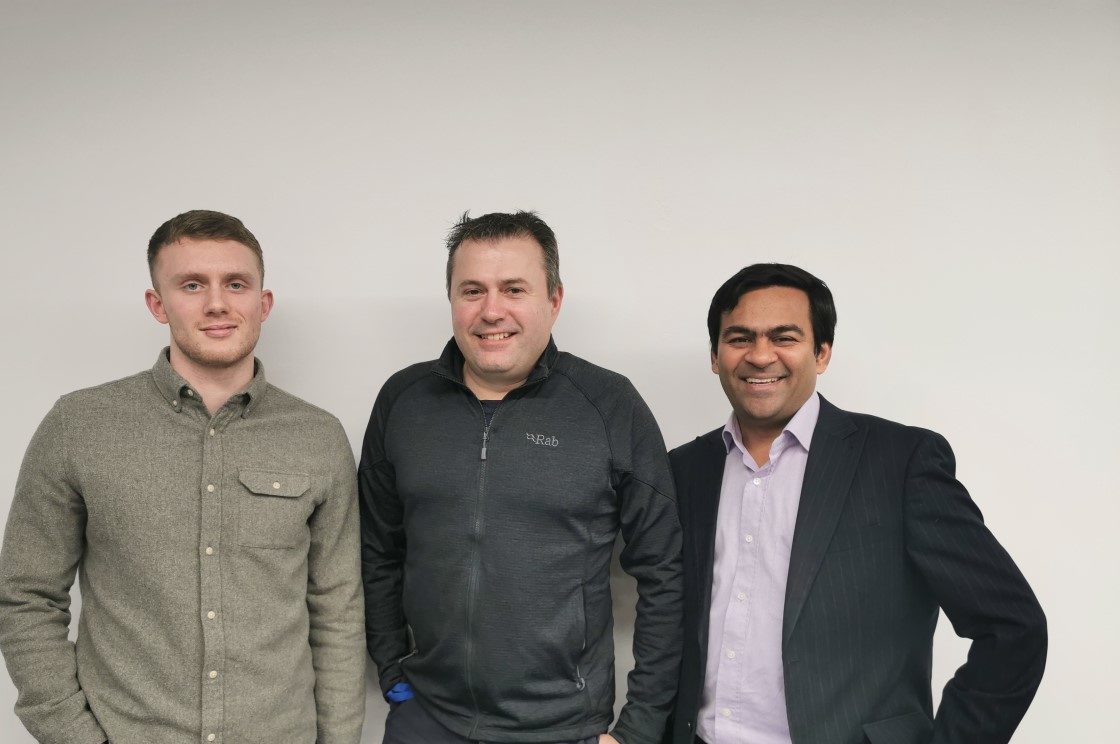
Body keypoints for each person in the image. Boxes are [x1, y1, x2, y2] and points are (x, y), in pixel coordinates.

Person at [0, 210, 364, 744]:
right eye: (192, 285)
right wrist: (72, 734)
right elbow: (26, 596)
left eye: (236, 284)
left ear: (263, 304)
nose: (217, 303)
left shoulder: (318, 436)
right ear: (157, 304)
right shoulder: (78, 425)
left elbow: (338, 610)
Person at [668, 263, 1047, 744]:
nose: (760, 356)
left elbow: (1013, 627)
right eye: (739, 338)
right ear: (716, 356)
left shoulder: (900, 462)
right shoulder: (685, 470)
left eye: (785, 337)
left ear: (822, 353)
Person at [359, 211, 682, 744]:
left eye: (514, 289)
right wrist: (393, 670)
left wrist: (641, 727)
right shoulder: (403, 401)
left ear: (553, 300)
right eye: (472, 290)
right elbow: (377, 549)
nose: (492, 311)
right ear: (451, 301)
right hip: (428, 719)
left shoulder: (608, 404)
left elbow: (665, 571)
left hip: (562, 727)